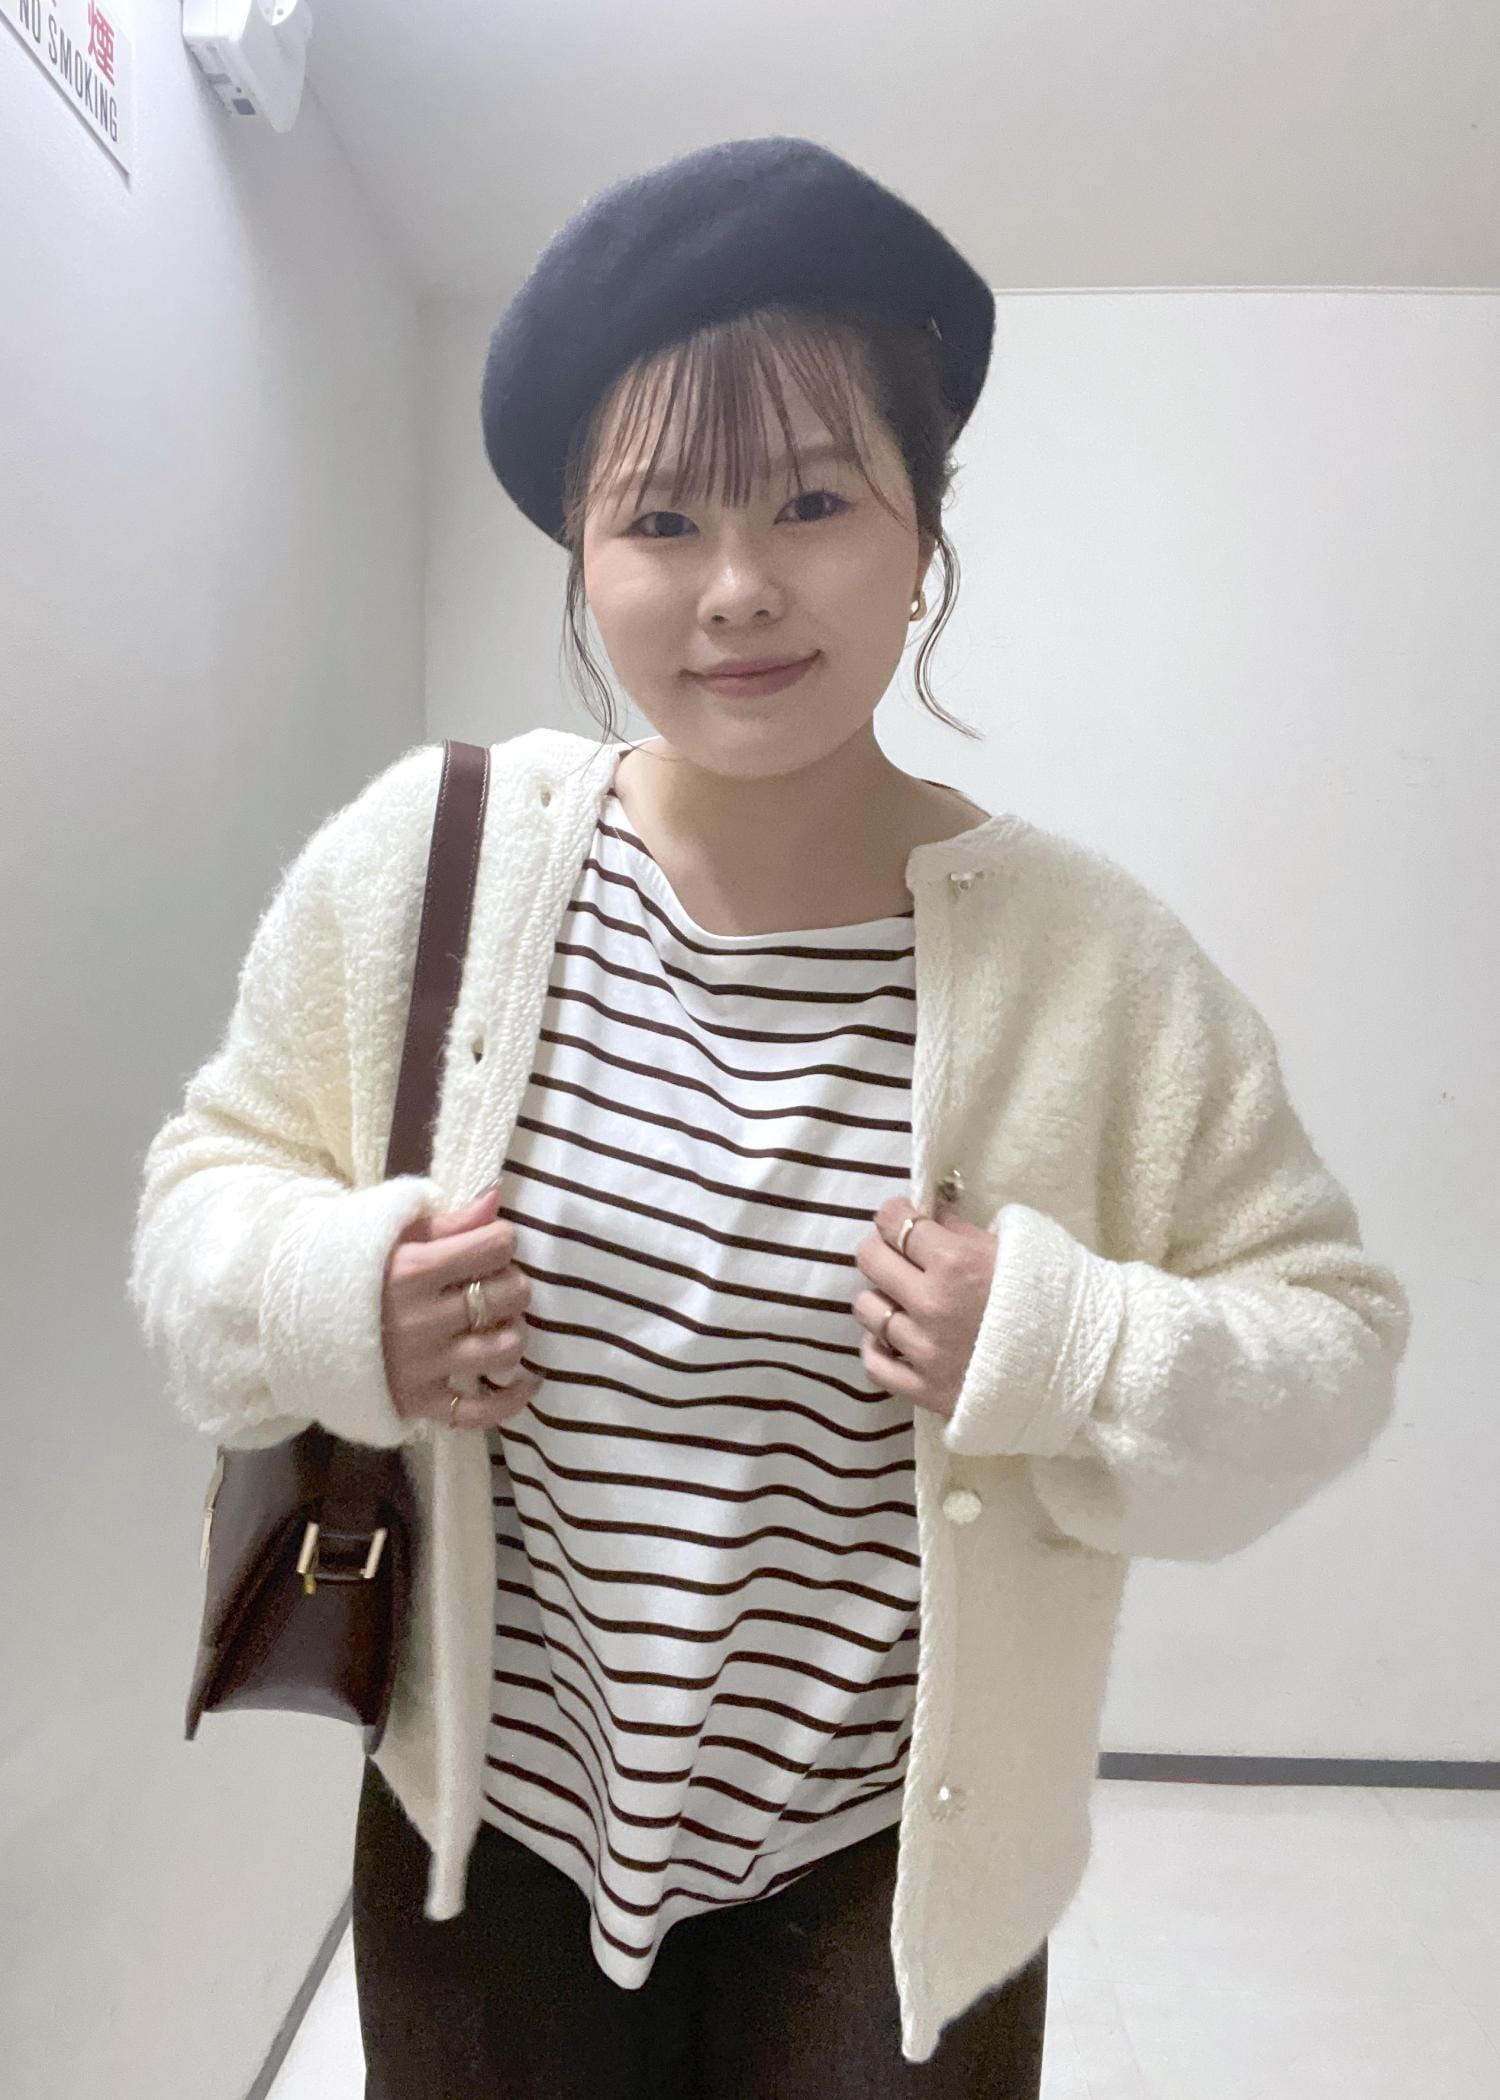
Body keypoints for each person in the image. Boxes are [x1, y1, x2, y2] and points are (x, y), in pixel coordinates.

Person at [128, 139, 1412, 2098]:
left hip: (893, 1871)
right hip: (489, 1834)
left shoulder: (1093, 963)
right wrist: (336, 1294)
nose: (736, 589)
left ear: (923, 538)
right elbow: (198, 1209)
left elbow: (1333, 1350)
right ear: (584, 554)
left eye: (814, 499)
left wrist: (1061, 1342)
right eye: (660, 518)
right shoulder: (431, 861)